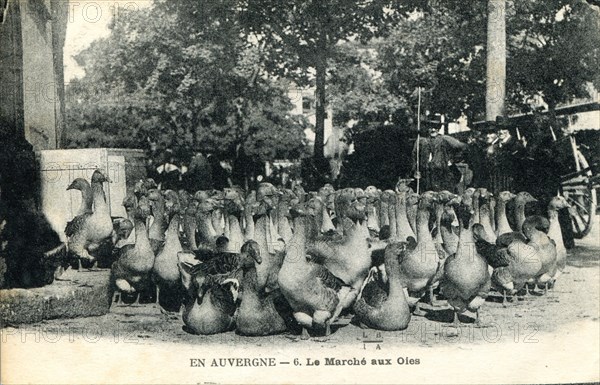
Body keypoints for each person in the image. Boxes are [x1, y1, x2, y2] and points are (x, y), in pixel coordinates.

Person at [412, 123, 467, 192]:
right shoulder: (421, 141)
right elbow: (415, 156)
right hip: (425, 173)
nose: (433, 130)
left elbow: (461, 146)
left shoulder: (444, 139)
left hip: (440, 172)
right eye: (430, 127)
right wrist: (416, 169)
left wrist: (452, 160)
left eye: (436, 128)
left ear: (438, 129)